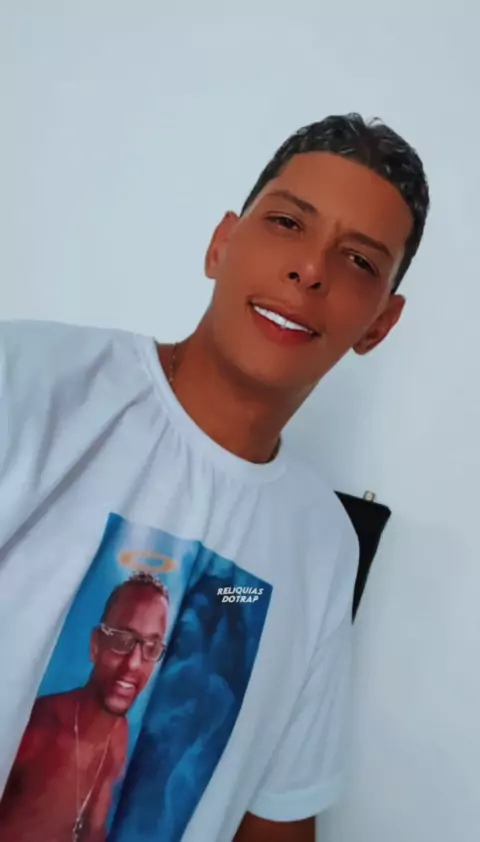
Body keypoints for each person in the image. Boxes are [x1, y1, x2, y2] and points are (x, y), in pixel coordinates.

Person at [0, 113, 430, 842]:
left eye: (359, 260)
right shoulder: (26, 383)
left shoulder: (325, 544)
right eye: (288, 223)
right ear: (221, 243)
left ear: (379, 325)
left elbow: (279, 814)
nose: (311, 270)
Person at [0, 573, 169, 841]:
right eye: (122, 640)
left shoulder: (120, 733)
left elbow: (94, 830)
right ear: (95, 645)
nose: (134, 664)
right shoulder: (42, 727)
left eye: (151, 647)